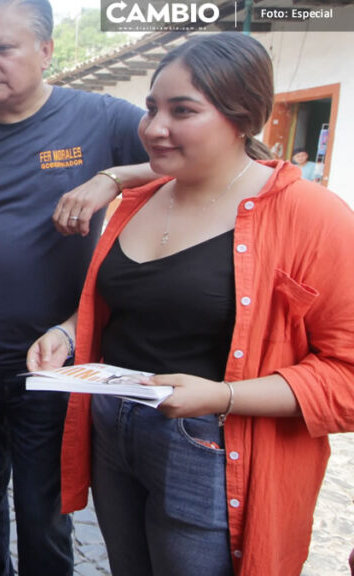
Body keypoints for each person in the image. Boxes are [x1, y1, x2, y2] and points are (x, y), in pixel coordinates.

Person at [27, 33, 354, 576]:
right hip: (115, 432)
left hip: (210, 451)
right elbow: (130, 305)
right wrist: (66, 332)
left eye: (183, 110)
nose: (155, 127)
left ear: (243, 117)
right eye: (153, 107)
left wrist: (223, 396)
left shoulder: (313, 217)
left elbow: (346, 376)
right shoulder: (138, 200)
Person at [0, 1, 151, 574]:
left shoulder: (101, 119)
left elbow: (193, 160)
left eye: (4, 48)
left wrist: (110, 177)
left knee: (45, 506)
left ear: (46, 52)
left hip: (52, 362)